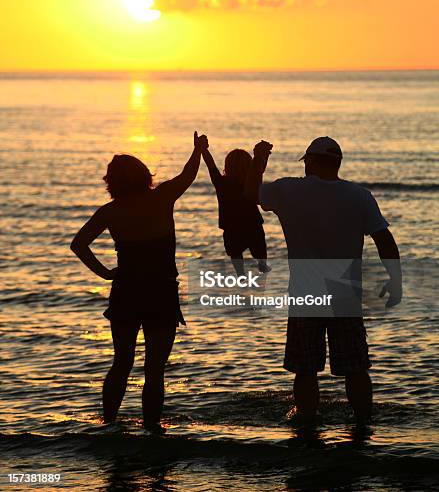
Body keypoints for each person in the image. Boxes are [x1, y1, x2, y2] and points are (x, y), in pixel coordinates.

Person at [245, 136, 402, 425]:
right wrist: (395, 279)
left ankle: (306, 426)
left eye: (307, 163)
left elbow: (250, 193)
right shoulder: (359, 196)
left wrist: (259, 161)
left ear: (313, 162)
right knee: (355, 368)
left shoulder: (288, 190)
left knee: (305, 369)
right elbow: (384, 239)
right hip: (345, 296)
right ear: (337, 163)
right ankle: (363, 425)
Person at [70, 131, 208, 433]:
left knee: (122, 362)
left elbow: (78, 244)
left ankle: (108, 424)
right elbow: (188, 175)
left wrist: (106, 273)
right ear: (145, 175)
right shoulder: (161, 197)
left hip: (126, 291)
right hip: (160, 291)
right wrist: (197, 149)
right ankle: (152, 428)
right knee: (155, 368)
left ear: (112, 183)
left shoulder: (110, 212)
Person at [201, 142, 270, 275]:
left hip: (231, 225)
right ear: (249, 166)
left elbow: (211, 165)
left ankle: (240, 274)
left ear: (227, 166)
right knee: (260, 249)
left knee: (235, 252)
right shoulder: (250, 183)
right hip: (252, 224)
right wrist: (263, 155)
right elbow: (259, 170)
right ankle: (262, 265)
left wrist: (203, 149)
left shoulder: (221, 183)